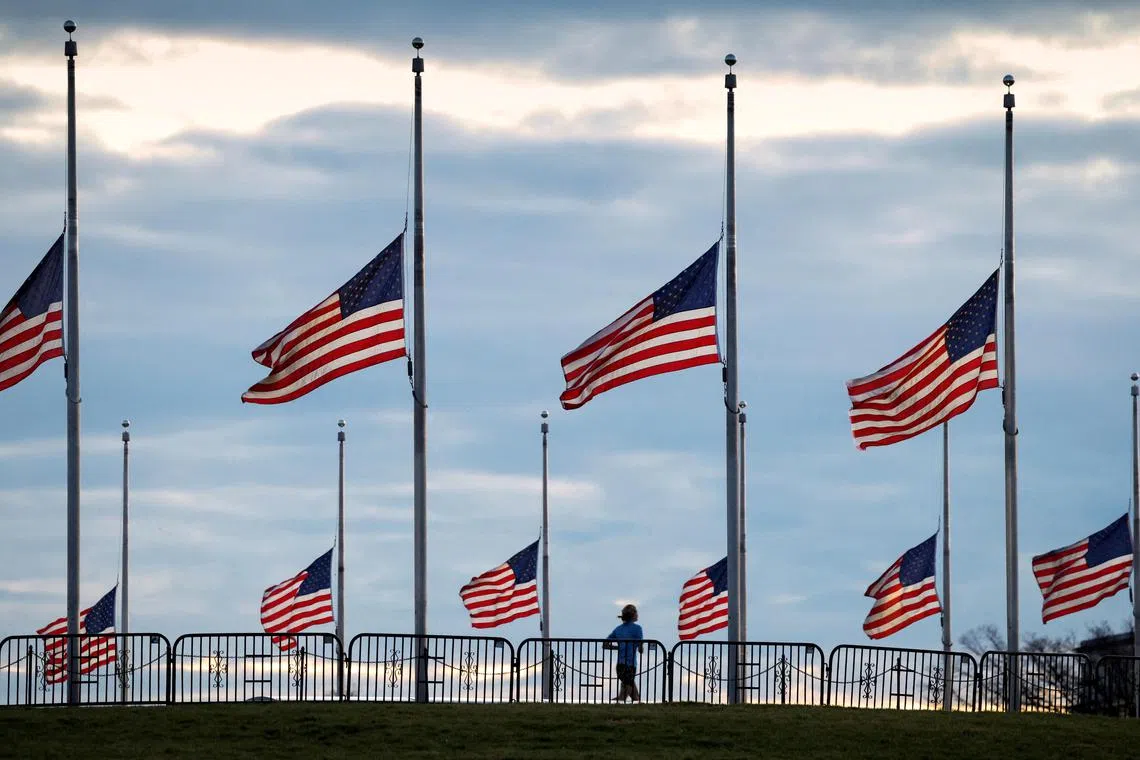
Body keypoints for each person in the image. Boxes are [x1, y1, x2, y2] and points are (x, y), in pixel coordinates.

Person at [603, 603, 644, 703]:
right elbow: (640, 649)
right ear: (633, 615)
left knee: (629, 684)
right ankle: (621, 701)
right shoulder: (637, 629)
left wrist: (618, 647)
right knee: (628, 685)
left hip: (620, 664)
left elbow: (605, 644)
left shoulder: (618, 629)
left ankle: (635, 701)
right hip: (631, 664)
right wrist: (640, 648)